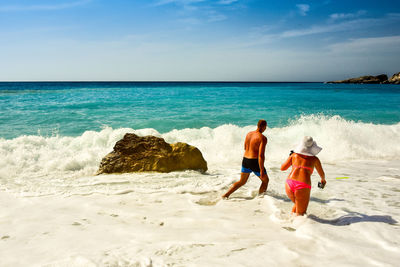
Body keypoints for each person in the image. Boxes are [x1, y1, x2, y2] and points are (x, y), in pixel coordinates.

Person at [222, 120, 270, 199]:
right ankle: (260, 198)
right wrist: (261, 169)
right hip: (254, 161)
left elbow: (245, 147)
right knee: (265, 180)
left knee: (242, 181)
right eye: (266, 127)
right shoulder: (262, 138)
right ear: (264, 127)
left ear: (257, 125)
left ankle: (226, 195)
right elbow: (261, 155)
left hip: (245, 160)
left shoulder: (249, 134)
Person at [280, 136, 326, 216]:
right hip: (302, 186)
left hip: (289, 184)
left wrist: (290, 157)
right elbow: (321, 173)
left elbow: (282, 168)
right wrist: (323, 180)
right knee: (301, 214)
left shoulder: (294, 155)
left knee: (297, 206)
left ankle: (289, 222)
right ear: (312, 147)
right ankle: (296, 226)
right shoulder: (315, 159)